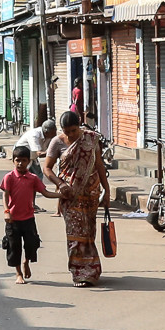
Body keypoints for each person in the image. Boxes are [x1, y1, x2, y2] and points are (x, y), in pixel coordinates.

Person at [46, 111, 111, 286]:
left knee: (89, 232)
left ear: (80, 125)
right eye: (67, 131)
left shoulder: (91, 139)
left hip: (91, 193)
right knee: (75, 235)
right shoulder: (56, 142)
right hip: (69, 196)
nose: (71, 135)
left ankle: (92, 270)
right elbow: (47, 169)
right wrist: (60, 184)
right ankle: (79, 272)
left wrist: (107, 190)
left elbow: (99, 165)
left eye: (73, 131)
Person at [1, 145, 55, 284]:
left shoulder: (33, 178)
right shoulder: (9, 177)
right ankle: (18, 273)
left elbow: (45, 193)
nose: (20, 163)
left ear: (28, 162)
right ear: (13, 161)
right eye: (17, 160)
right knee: (14, 247)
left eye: (24, 160)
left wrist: (62, 195)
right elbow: (5, 195)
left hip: (28, 219)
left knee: (32, 244)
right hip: (13, 220)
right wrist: (7, 212)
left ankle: (26, 261)